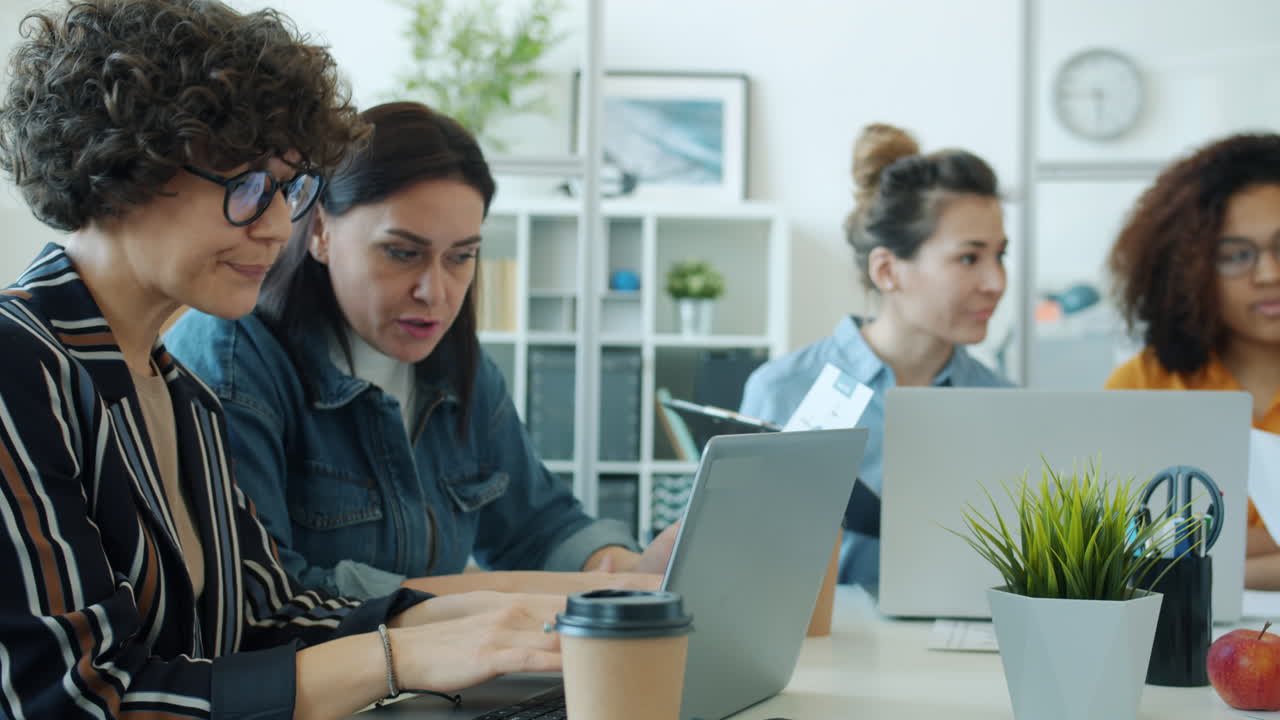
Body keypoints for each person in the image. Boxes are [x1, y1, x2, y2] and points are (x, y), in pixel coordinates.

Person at [0, 3, 564, 718]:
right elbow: (78, 701)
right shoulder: (20, 370)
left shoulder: (175, 391)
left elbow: (269, 611)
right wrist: (402, 656)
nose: (276, 228)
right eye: (245, 188)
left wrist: (495, 623)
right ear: (125, 168)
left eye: (290, 190)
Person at [166, 101, 675, 601]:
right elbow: (267, 596)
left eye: (461, 257)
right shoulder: (234, 360)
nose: (435, 292)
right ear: (320, 230)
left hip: (426, 677)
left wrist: (628, 571)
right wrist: (485, 600)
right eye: (402, 253)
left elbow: (538, 525)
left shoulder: (457, 366)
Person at [740, 123, 1010, 593]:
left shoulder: (1004, 407)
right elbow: (734, 561)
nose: (996, 282)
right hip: (820, 655)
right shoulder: (783, 391)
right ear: (887, 270)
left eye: (1000, 256)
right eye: (969, 258)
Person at [1105, 133, 1280, 590]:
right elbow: (1119, 547)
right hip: (1174, 646)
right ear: (1189, 268)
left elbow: (1159, 556)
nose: (1268, 274)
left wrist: (1197, 561)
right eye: (1235, 255)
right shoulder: (1144, 384)